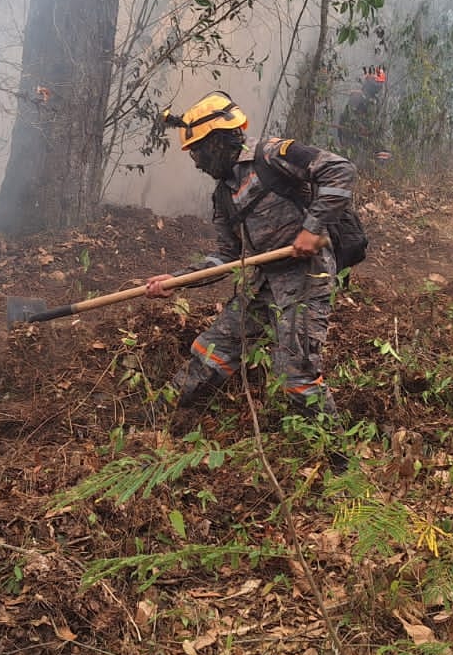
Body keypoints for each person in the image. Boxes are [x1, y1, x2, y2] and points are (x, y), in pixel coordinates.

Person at [145, 91, 355, 417]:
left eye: (198, 152)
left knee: (295, 377)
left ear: (217, 141)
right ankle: (154, 417)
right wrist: (178, 280)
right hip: (263, 284)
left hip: (306, 279)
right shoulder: (223, 196)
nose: (197, 163)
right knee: (210, 351)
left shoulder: (272, 155)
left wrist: (312, 228)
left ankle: (338, 458)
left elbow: (340, 170)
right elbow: (226, 257)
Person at [337, 68, 388, 167]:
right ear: (370, 82)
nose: (380, 87)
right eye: (378, 83)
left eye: (381, 84)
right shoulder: (357, 96)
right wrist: (360, 127)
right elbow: (349, 116)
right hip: (350, 134)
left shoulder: (375, 101)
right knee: (351, 160)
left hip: (364, 137)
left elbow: (375, 120)